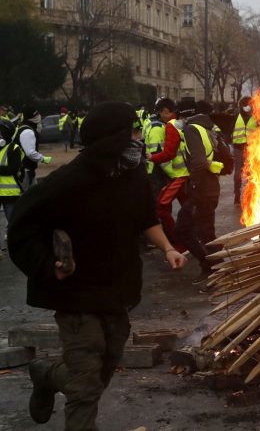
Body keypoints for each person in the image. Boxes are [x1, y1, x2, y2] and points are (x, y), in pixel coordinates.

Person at [8, 101, 187, 430]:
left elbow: (145, 217)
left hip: (117, 289)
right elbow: (21, 227)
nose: (139, 138)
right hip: (76, 293)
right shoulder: (69, 181)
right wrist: (49, 267)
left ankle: (46, 374)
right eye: (133, 131)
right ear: (113, 138)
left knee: (103, 369)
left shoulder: (131, 176)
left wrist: (168, 249)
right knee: (86, 387)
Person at [175, 100, 225, 284]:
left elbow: (199, 162)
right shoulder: (207, 127)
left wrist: (194, 187)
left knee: (184, 229)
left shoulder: (191, 129)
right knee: (205, 231)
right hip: (210, 187)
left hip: (202, 190)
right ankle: (216, 267)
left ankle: (212, 268)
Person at [151, 97, 194, 252]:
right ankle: (192, 238)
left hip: (180, 176)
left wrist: (152, 157)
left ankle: (179, 243)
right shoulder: (182, 123)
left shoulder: (171, 125)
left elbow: (169, 153)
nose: (159, 116)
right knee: (188, 209)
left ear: (165, 111)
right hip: (187, 174)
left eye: (159, 112)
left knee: (161, 207)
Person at [13, 105, 53, 190]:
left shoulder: (24, 128)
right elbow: (30, 152)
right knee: (25, 197)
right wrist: (43, 158)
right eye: (36, 115)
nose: (39, 117)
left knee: (34, 194)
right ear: (31, 118)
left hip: (27, 170)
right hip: (24, 171)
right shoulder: (27, 131)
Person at [0, 119, 24, 241]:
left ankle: (19, 244)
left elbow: (14, 169)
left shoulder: (13, 148)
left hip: (10, 193)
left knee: (13, 221)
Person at [232, 96, 258, 205]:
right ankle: (237, 195)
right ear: (241, 106)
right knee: (238, 173)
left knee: (250, 173)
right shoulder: (235, 117)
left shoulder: (256, 117)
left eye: (249, 104)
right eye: (245, 104)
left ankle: (249, 195)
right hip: (238, 147)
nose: (248, 107)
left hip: (251, 148)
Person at [143, 104, 168, 198]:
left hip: (151, 168)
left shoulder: (150, 121)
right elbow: (156, 152)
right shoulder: (157, 127)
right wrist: (172, 173)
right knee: (158, 199)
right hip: (156, 170)